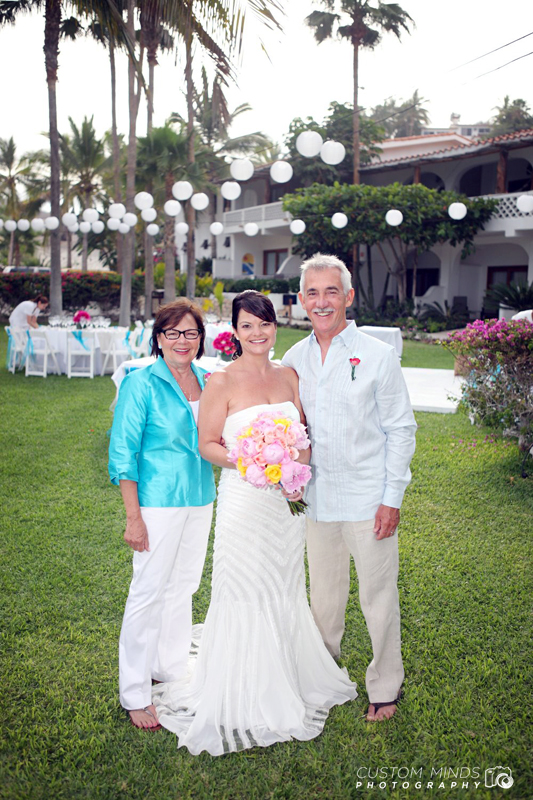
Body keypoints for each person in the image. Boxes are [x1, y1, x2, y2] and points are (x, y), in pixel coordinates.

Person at [152, 290, 356, 755]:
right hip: (245, 501)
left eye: (264, 324)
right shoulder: (220, 382)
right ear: (234, 331)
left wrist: (296, 474)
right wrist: (250, 464)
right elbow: (206, 443)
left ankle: (286, 672)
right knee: (244, 585)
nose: (258, 332)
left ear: (274, 326)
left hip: (284, 505)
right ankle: (240, 686)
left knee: (283, 585)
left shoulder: (289, 376)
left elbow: (302, 433)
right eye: (248, 325)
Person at [282, 254, 417, 723]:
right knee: (324, 600)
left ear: (349, 297)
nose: (322, 302)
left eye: (331, 291)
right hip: (317, 501)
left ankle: (385, 685)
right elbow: (290, 430)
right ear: (301, 300)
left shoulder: (377, 355)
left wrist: (391, 499)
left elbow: (401, 430)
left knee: (378, 598)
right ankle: (325, 675)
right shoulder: (293, 359)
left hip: (367, 500)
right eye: (313, 293)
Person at [108, 299, 216, 730]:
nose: (182, 341)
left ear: (200, 339)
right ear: (158, 338)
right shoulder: (141, 384)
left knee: (183, 586)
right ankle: (134, 691)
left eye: (191, 333)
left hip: (201, 497)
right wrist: (134, 517)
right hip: (157, 501)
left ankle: (169, 669)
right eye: (172, 333)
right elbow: (123, 454)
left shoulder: (210, 382)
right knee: (147, 591)